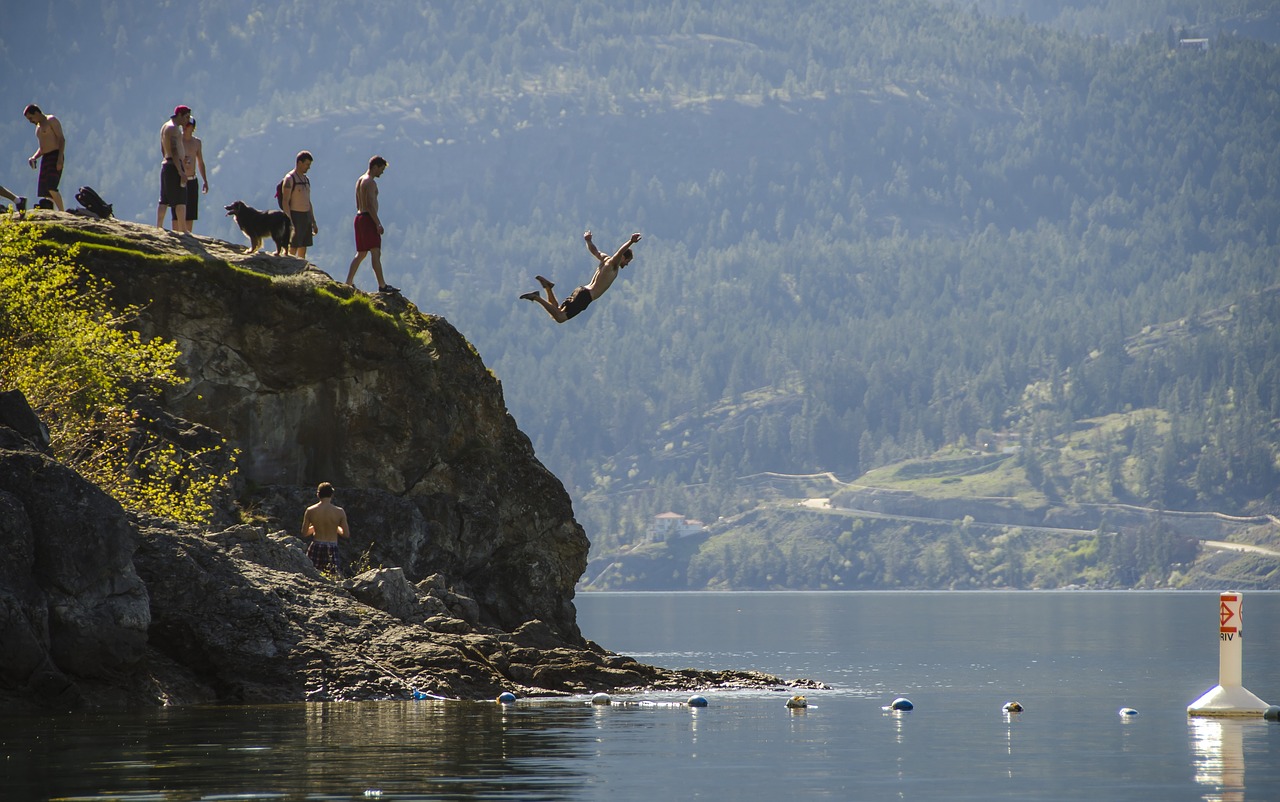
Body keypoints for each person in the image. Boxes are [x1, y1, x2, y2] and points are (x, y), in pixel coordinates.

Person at [521, 231, 643, 323]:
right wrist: (631, 241)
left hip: (581, 290)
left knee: (557, 311)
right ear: (623, 258)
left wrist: (588, 241)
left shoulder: (605, 259)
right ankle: (536, 297)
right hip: (586, 296)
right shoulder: (613, 265)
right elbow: (619, 253)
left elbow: (595, 251)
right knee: (560, 318)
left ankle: (548, 288)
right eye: (627, 261)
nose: (627, 264)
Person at [346, 155, 397, 293]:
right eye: (381, 169)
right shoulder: (370, 182)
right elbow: (369, 205)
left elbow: (359, 203)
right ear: (375, 167)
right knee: (375, 251)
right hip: (368, 219)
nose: (382, 172)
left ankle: (348, 282)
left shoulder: (360, 180)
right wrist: (378, 223)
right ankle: (382, 285)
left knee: (361, 253)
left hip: (359, 217)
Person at [301, 481, 350, 577]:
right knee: (332, 577)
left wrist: (315, 526)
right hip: (332, 547)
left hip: (316, 546)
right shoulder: (339, 512)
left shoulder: (310, 510)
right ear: (332, 494)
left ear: (318, 494)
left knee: (311, 576)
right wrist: (335, 527)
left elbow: (304, 533)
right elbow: (346, 534)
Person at [156, 105, 191, 229]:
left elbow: (162, 147)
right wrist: (180, 171)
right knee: (181, 198)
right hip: (174, 165)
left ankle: (159, 226)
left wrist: (167, 157)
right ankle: (183, 229)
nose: (187, 120)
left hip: (166, 163)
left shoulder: (165, 126)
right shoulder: (174, 129)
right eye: (186, 117)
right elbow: (175, 150)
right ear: (180, 115)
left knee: (164, 198)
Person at [24, 104, 64, 211]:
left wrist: (60, 158)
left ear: (36, 113)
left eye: (31, 118)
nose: (30, 121)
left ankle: (62, 211)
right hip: (45, 157)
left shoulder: (51, 120)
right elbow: (42, 148)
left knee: (52, 186)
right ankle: (51, 210)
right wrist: (34, 157)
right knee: (45, 190)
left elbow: (61, 139)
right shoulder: (38, 128)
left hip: (55, 154)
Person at [170, 116, 208, 233]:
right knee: (177, 210)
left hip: (192, 179)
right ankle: (176, 235)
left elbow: (200, 162)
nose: (186, 128)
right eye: (184, 126)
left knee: (190, 212)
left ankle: (188, 236)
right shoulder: (178, 140)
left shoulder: (196, 143)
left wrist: (205, 180)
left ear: (193, 128)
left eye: (188, 126)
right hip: (179, 178)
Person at [280, 150, 318, 258]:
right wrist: (289, 220)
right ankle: (288, 267)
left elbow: (308, 201)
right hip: (295, 215)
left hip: (305, 216)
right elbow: (285, 201)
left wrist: (313, 221)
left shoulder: (306, 180)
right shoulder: (289, 179)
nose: (308, 167)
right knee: (293, 245)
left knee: (303, 245)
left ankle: (301, 268)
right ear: (299, 163)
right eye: (307, 164)